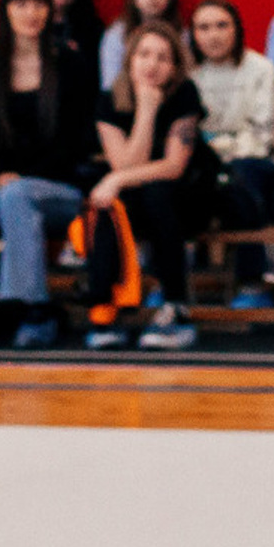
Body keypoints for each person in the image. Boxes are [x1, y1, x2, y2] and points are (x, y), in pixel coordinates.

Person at [0, 0, 97, 349]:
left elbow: (76, 141)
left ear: (49, 10)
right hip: (6, 182)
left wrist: (20, 177)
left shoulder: (71, 64)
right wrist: (1, 174)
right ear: (6, 11)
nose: (30, 12)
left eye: (38, 4)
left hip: (60, 186)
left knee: (15, 195)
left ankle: (34, 307)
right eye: (21, 4)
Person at [85, 21, 208, 350]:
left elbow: (172, 166)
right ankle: (107, 307)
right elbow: (126, 163)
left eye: (163, 58)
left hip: (187, 194)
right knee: (110, 205)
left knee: (155, 194)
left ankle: (175, 306)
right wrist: (146, 110)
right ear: (130, 59)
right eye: (144, 55)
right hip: (134, 195)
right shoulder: (109, 100)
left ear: (175, 66)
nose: (152, 64)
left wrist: (115, 179)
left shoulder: (184, 94)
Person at [187, 0, 274, 307]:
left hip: (261, 159)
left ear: (236, 30)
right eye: (203, 27)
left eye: (222, 25)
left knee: (241, 175)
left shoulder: (260, 68)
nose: (213, 35)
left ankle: (251, 281)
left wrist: (215, 148)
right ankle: (171, 281)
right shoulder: (187, 74)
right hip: (205, 162)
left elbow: (259, 134)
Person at [99, 0, 183, 91]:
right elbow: (110, 85)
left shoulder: (181, 33)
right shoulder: (117, 33)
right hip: (125, 101)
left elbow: (185, 76)